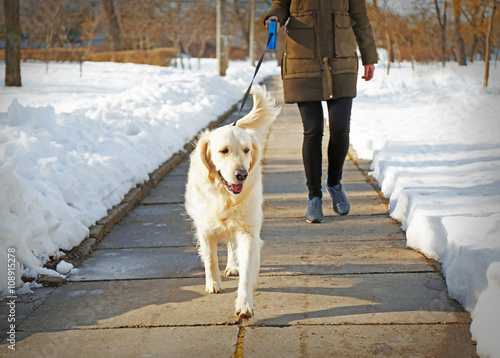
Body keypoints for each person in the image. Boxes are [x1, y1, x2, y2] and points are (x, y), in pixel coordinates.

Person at [264, 0, 377, 223]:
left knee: (340, 127)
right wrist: (274, 17)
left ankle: (334, 183)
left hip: (341, 59)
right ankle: (314, 197)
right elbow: (280, 5)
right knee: (313, 130)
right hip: (302, 61)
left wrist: (369, 56)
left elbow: (360, 18)